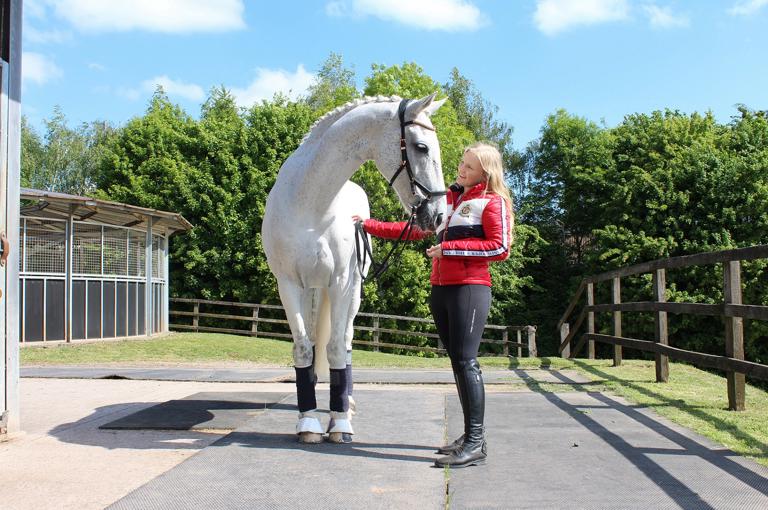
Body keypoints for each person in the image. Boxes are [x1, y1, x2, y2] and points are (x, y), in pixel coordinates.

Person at [355, 142, 513, 468]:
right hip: (440, 289)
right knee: (457, 362)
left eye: (469, 166)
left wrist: (450, 249)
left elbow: (499, 248)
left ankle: (475, 442)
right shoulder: (449, 201)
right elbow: (414, 231)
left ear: (486, 172)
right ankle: (470, 436)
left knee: (467, 362)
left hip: (470, 289)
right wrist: (367, 224)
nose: (461, 169)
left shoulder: (491, 203)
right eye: (462, 162)